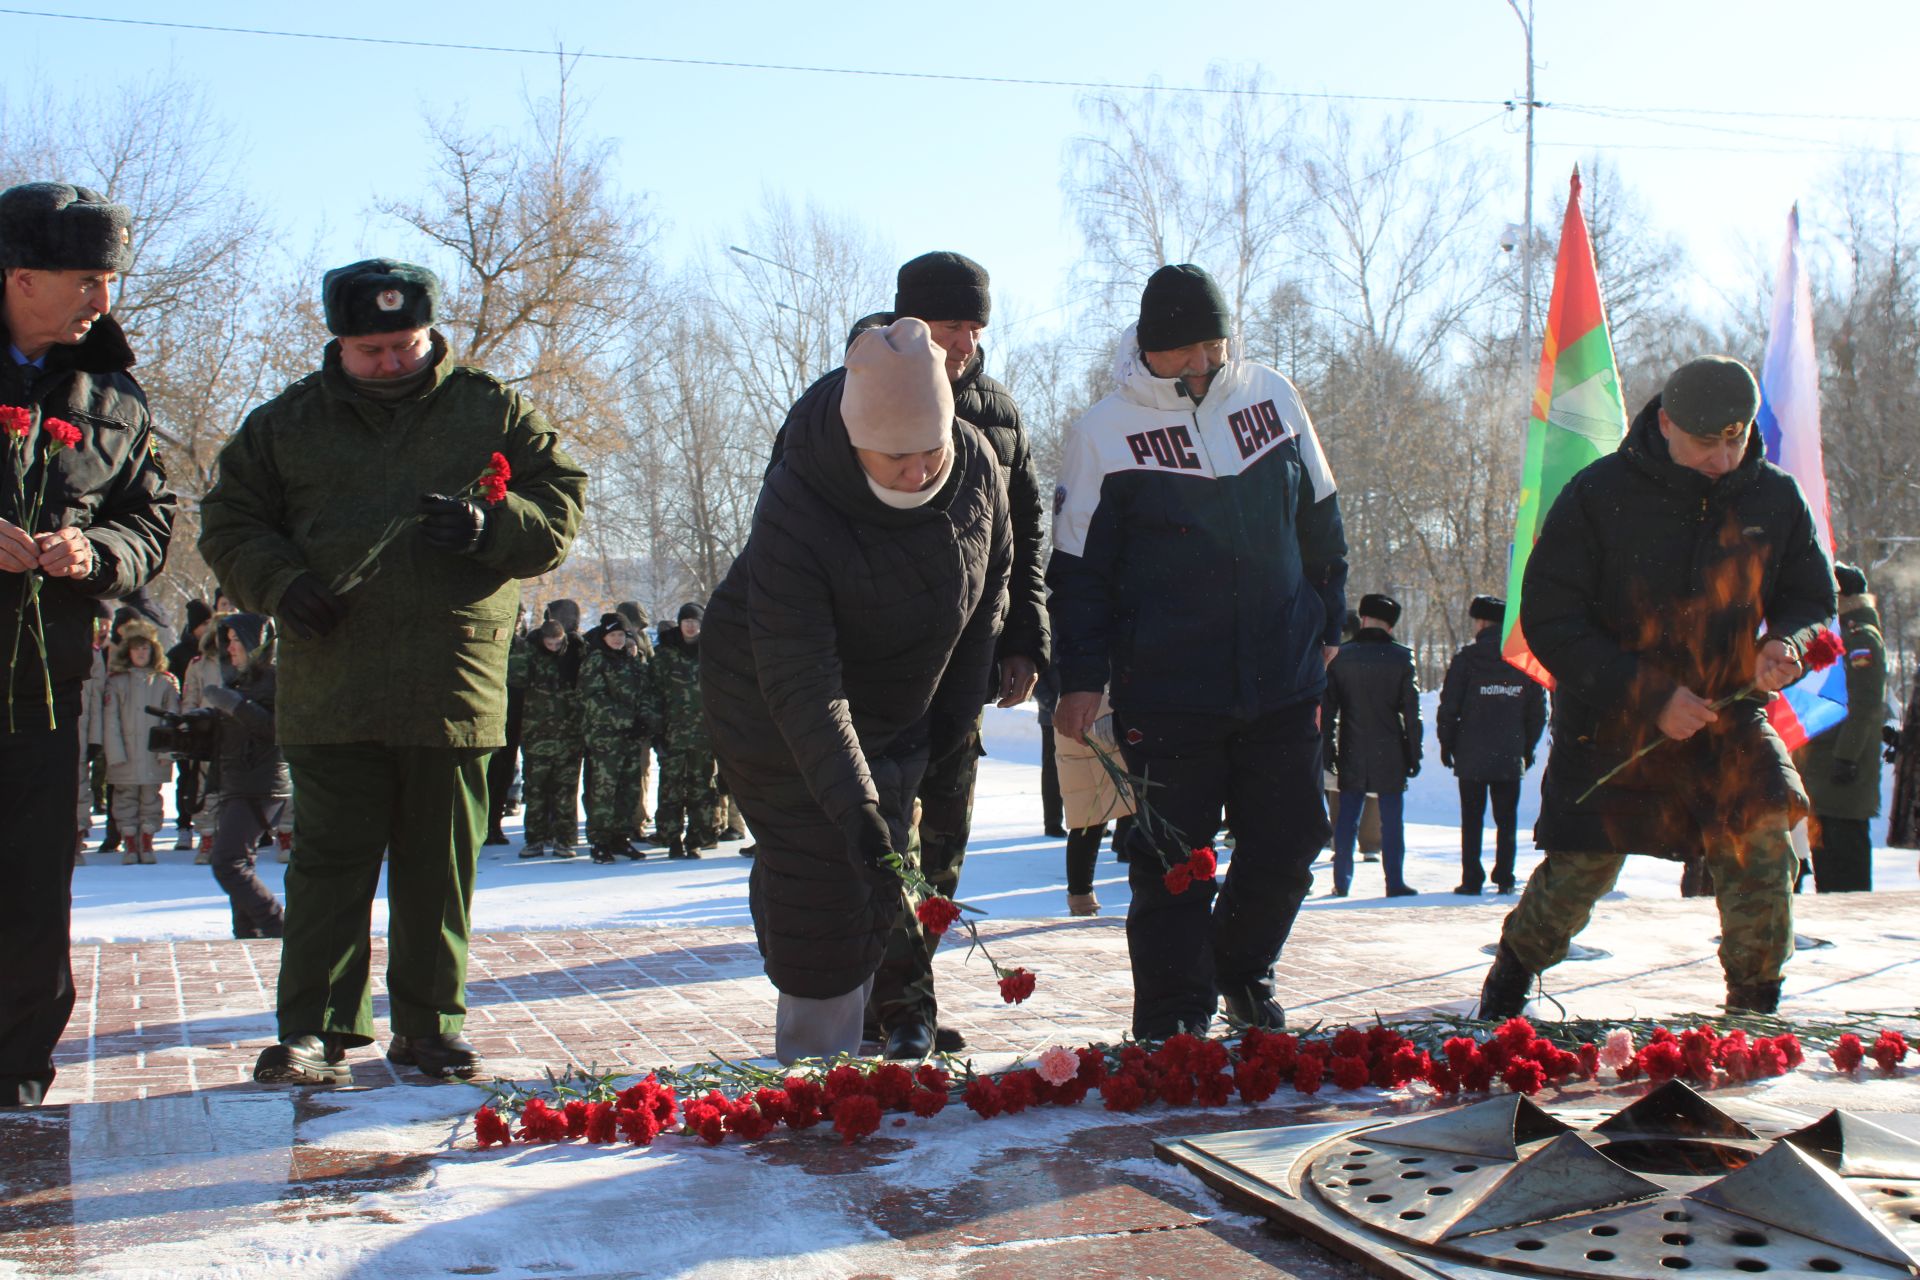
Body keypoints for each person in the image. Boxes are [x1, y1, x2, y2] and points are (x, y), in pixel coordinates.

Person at [199, 257, 586, 1084]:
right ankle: (315, 1030)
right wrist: (279, 583)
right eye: (371, 350)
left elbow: (559, 509)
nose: (391, 363)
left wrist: (491, 522)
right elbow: (228, 521)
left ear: (428, 332)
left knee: (438, 869)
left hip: (451, 680)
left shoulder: (490, 407)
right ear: (339, 343)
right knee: (328, 869)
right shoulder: (286, 424)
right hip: (332, 681)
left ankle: (431, 1026)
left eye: (405, 345)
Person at [1476, 356, 1835, 1019]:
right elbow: (1551, 620)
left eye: (1736, 439)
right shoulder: (1598, 494)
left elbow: (1814, 600)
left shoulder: (1775, 497)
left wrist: (1789, 643)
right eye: (1706, 441)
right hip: (1614, 722)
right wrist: (1649, 697)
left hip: (1730, 719)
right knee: (1581, 871)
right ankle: (1508, 982)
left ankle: (1755, 1012)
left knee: (1762, 836)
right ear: (1665, 423)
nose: (1723, 459)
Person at [1049, 264, 1348, 1039]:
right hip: (1169, 689)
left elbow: (1321, 521)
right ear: (1148, 350)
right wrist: (1079, 679)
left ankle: (1242, 970)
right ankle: (1173, 1020)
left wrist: (1330, 628)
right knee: (1173, 862)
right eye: (1182, 353)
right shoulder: (1103, 433)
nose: (1201, 366)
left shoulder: (1273, 397)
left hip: (1281, 674)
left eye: (1213, 347)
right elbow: (1079, 572)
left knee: (1290, 840)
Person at [704, 317, 1011, 1064]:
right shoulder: (799, 500)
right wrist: (857, 803)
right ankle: (815, 1070)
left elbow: (982, 611)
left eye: (929, 451)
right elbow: (802, 679)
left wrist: (944, 738)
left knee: (886, 870)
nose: (916, 471)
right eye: (895, 456)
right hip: (771, 698)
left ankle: (876, 1017)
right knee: (829, 864)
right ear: (854, 441)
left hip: (897, 695)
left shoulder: (975, 471)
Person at [1, 181, 177, 1106]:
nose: (101, 300)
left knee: (34, 881)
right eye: (85, 280)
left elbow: (152, 520)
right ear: (19, 276)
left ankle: (18, 1065)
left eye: (108, 278)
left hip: (44, 683)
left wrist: (95, 553)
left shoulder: (114, 393)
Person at [1437, 594, 1547, 895]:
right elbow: (1538, 711)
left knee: (1471, 820)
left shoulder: (1466, 659)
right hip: (1509, 754)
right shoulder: (1522, 661)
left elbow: (1449, 706)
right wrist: (1526, 747)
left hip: (1470, 753)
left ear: (1483, 622)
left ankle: (1472, 878)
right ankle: (1505, 876)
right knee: (1506, 820)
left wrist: (1447, 744)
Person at [1792, 562, 1886, 892]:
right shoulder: (1839, 634)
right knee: (1825, 866)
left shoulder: (1859, 639)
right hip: (1823, 772)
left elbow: (1866, 705)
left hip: (1842, 774)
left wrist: (1846, 756)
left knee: (1844, 877)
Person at [1326, 593, 1422, 898]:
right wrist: (1414, 752)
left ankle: (1341, 881)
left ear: (1363, 619)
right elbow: (1411, 713)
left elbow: (1327, 710)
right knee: (1391, 819)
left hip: (1352, 746)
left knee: (1346, 818)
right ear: (1391, 627)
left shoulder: (1343, 656)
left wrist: (1328, 750)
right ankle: (1394, 881)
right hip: (1390, 748)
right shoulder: (1402, 657)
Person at [198, 612, 289, 937]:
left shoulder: (277, 677)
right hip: (238, 780)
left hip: (263, 782)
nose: (230, 646)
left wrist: (234, 706)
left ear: (256, 642)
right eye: (228, 640)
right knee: (240, 861)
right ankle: (247, 932)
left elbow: (276, 728)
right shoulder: (240, 682)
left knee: (227, 862)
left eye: (237, 640)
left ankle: (276, 923)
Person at [579, 611, 654, 863]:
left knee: (629, 788)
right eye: (613, 635)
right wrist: (626, 720)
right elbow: (594, 698)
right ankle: (600, 840)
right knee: (603, 790)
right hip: (605, 739)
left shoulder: (632, 661)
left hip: (631, 739)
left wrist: (644, 719)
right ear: (604, 636)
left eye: (621, 635)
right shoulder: (596, 661)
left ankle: (621, 837)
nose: (618, 639)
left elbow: (645, 692)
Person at [101, 619, 177, 861]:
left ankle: (147, 839)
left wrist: (166, 752)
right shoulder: (116, 682)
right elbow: (110, 721)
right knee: (125, 799)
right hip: (125, 755)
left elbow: (172, 720)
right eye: (136, 648)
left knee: (151, 799)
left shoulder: (165, 681)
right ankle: (130, 842)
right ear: (127, 651)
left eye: (145, 648)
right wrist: (114, 754)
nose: (141, 653)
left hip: (153, 754)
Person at [520, 603, 585, 859]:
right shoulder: (531, 656)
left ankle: (564, 839)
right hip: (537, 737)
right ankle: (535, 839)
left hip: (568, 738)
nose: (554, 646)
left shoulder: (574, 657)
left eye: (558, 642)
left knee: (565, 793)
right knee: (535, 792)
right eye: (549, 642)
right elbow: (516, 676)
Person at [652, 602, 717, 859]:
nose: (690, 625)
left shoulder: (712, 652)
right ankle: (672, 838)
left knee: (702, 788)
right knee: (671, 789)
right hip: (673, 733)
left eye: (695, 621)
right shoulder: (665, 654)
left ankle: (697, 839)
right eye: (686, 620)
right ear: (679, 624)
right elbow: (653, 693)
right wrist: (656, 729)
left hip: (704, 735)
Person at [166, 599, 213, 850]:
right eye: (204, 623)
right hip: (193, 728)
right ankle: (185, 824)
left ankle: (215, 832)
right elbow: (182, 695)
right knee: (189, 779)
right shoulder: (180, 655)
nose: (208, 628)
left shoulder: (222, 657)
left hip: (217, 731)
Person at [1034, 665, 1068, 839]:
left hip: (1086, 710)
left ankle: (1091, 822)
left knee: (1087, 767)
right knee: (1053, 770)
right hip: (1051, 716)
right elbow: (1035, 676)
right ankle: (1053, 822)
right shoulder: (1050, 638)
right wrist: (1051, 703)